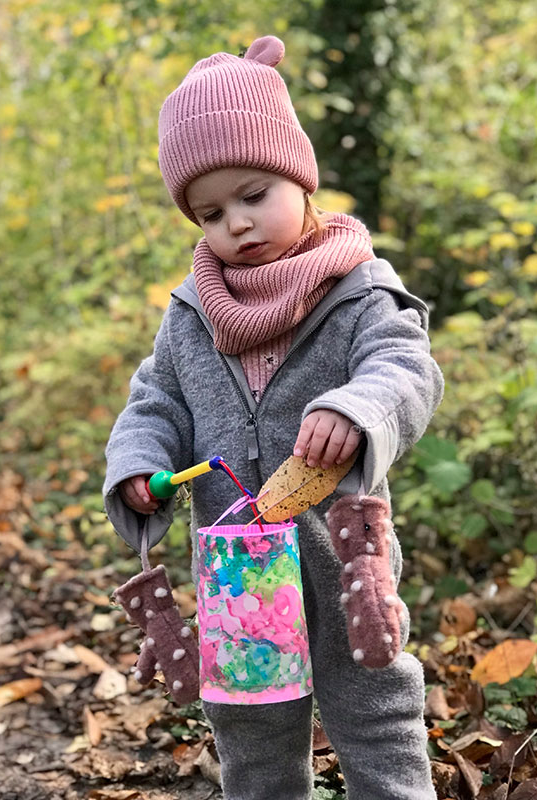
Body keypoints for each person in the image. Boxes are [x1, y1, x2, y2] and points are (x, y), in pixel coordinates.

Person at [104, 34, 443, 800]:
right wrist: (138, 465)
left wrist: (355, 410)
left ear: (299, 177)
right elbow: (155, 397)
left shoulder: (358, 291)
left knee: (376, 705)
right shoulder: (193, 314)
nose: (238, 225)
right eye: (211, 211)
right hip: (237, 572)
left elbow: (406, 369)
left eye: (255, 195)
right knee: (251, 729)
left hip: (341, 552)